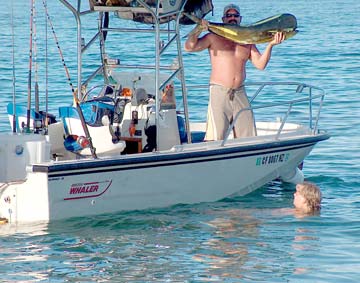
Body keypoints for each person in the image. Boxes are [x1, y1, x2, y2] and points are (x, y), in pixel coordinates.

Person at [184, 4, 285, 141]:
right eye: (229, 15)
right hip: (219, 93)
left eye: (235, 15)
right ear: (223, 19)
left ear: (240, 19)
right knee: (215, 138)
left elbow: (260, 65)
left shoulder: (247, 41)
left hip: (240, 93)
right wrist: (198, 28)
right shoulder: (212, 37)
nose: (232, 18)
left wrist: (270, 45)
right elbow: (189, 47)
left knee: (248, 138)